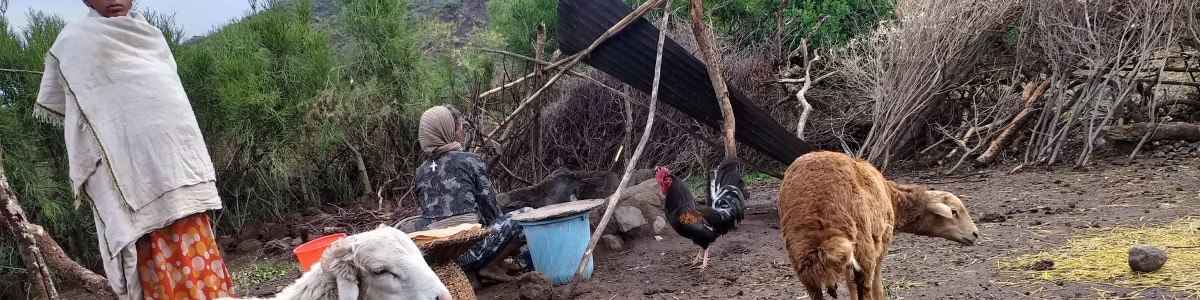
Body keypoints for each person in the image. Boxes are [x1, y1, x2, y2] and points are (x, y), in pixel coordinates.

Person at [34, 0, 234, 299]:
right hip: (130, 177)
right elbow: (83, 104)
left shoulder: (151, 35)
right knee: (150, 253)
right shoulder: (74, 41)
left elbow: (168, 96)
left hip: (177, 167)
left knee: (193, 241)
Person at [413, 105, 530, 283]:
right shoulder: (469, 160)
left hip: (439, 256)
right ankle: (490, 266)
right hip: (470, 250)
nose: (460, 134)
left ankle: (497, 263)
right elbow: (491, 210)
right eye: (458, 130)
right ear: (450, 132)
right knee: (527, 215)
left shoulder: (420, 172)